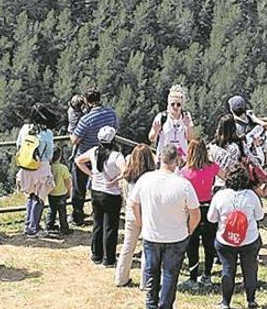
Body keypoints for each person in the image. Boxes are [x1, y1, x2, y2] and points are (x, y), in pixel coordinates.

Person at [131, 146, 200, 309]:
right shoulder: (183, 184)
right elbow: (195, 213)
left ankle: (151, 304)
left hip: (152, 235)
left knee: (151, 272)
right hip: (176, 236)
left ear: (159, 159)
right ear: (177, 161)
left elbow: (133, 204)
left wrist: (141, 223)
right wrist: (189, 230)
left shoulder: (146, 179)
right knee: (170, 275)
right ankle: (165, 305)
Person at [208, 163, 265, 309]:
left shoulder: (220, 195)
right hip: (249, 239)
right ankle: (251, 300)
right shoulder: (252, 196)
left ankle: (225, 302)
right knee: (250, 269)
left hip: (225, 240)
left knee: (228, 269)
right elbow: (259, 216)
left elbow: (211, 218)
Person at [75, 126, 126, 267]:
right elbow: (125, 171)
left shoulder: (94, 152)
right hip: (111, 194)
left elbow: (78, 160)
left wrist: (91, 174)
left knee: (97, 224)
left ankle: (96, 255)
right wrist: (115, 180)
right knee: (110, 226)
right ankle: (109, 259)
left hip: (96, 191)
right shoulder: (116, 156)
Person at [70, 88, 118, 226]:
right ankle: (100, 212)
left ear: (87, 101)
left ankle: (77, 216)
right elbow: (115, 130)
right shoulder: (111, 113)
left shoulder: (86, 119)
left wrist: (70, 129)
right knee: (102, 186)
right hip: (105, 155)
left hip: (86, 156)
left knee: (79, 188)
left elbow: (75, 140)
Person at [179, 139, 222, 289]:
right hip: (209, 206)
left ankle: (193, 276)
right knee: (209, 243)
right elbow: (227, 176)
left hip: (192, 209)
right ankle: (207, 275)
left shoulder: (184, 172)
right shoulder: (212, 167)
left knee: (192, 244)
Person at [116, 144, 156, 288]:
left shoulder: (127, 176)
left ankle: (121, 278)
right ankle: (146, 282)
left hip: (131, 213)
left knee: (128, 247)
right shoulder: (151, 178)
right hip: (147, 214)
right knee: (147, 248)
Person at [16, 103, 58, 238]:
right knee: (39, 198)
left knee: (30, 196)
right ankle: (33, 228)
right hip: (41, 167)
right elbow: (50, 154)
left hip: (25, 166)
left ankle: (28, 224)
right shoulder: (47, 134)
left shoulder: (24, 129)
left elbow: (18, 145)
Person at [149, 84, 194, 159]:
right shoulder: (161, 117)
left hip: (181, 160)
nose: (175, 107)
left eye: (178, 104)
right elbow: (151, 138)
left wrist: (188, 126)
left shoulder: (186, 116)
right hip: (164, 159)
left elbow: (191, 139)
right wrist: (156, 131)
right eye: (172, 104)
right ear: (168, 104)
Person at [46, 147, 72, 235]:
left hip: (51, 192)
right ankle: (64, 228)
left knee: (51, 209)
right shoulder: (63, 168)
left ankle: (50, 226)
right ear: (60, 156)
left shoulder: (48, 168)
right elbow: (68, 181)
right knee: (62, 211)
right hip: (61, 193)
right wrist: (69, 191)